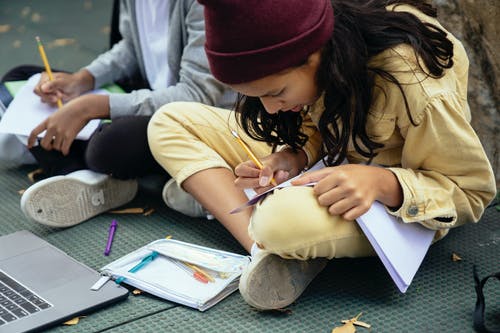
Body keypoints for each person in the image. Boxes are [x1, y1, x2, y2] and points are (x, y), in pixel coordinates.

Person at [147, 0, 496, 310]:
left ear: (314, 54)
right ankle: (262, 250)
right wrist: (293, 157)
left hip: (396, 207)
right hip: (331, 167)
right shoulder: (323, 51)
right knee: (168, 121)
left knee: (278, 221)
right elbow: (324, 122)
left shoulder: (411, 78)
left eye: (277, 92)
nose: (270, 110)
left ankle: (236, 211)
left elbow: (471, 190)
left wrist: (383, 182)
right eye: (257, 97)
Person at [2, 0, 234, 228]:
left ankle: (57, 156)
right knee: (18, 77)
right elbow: (131, 47)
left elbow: (197, 94)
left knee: (110, 146)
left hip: (194, 116)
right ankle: (84, 170)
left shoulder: (204, 4)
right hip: (148, 93)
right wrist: (83, 79)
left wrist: (92, 107)